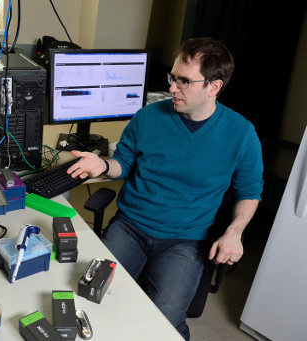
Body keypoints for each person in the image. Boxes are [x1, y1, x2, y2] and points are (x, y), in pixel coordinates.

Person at [67, 37, 263, 340]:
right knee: (90, 296)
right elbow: (124, 163)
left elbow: (249, 192)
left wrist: (235, 231)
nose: (172, 87)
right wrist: (104, 166)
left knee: (166, 321)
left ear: (214, 87)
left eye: (184, 81)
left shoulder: (241, 134)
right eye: (172, 77)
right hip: (130, 228)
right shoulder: (148, 117)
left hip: (184, 241)